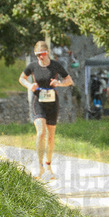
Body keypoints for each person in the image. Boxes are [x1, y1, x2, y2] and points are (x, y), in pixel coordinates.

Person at [19, 41, 74, 180]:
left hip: (52, 103)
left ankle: (48, 165)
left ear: (47, 52)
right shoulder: (33, 66)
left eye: (42, 54)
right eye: (37, 55)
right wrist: (29, 85)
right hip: (38, 101)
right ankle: (39, 166)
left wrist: (59, 83)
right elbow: (22, 78)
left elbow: (69, 80)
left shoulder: (55, 65)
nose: (40, 57)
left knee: (50, 136)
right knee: (41, 132)